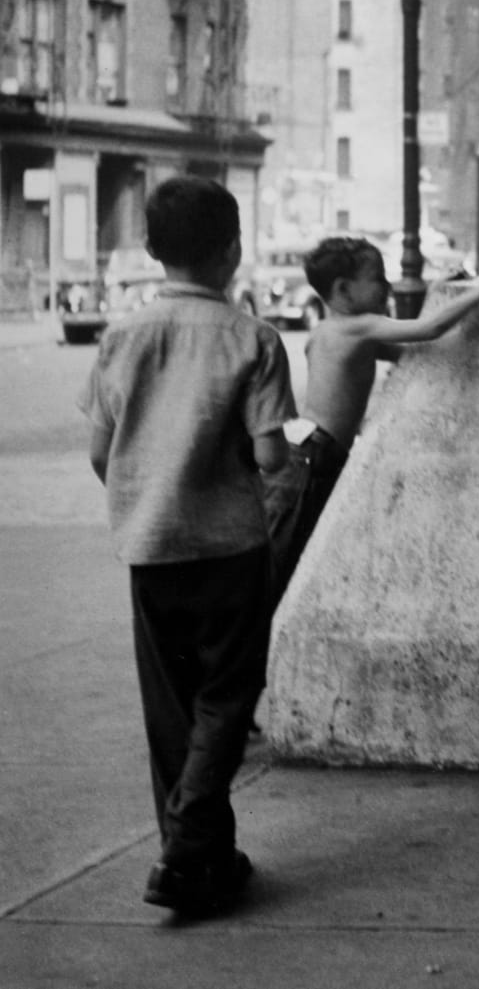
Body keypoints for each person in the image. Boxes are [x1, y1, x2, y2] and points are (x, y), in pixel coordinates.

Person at [81, 176, 297, 917]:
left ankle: (203, 857)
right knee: (229, 698)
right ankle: (185, 845)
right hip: (231, 547)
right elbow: (271, 457)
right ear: (235, 251)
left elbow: (101, 451)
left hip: (151, 546)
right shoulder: (254, 338)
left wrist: (143, 492)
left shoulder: (122, 334)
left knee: (171, 709)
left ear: (150, 250)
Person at [268, 238, 479, 606]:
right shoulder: (357, 328)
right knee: (295, 552)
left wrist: (441, 289)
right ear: (343, 290)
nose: (388, 287)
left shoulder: (329, 332)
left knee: (293, 551)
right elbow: (429, 330)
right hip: (317, 455)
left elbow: (414, 352)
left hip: (308, 451)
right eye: (378, 278)